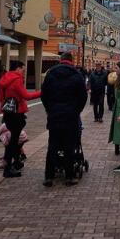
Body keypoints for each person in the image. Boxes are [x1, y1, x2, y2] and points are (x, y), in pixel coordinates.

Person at [41, 52, 87, 187]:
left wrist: (50, 109)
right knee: (69, 147)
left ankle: (48, 177)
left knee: (52, 146)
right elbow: (83, 97)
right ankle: (69, 177)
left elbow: (44, 95)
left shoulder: (50, 74)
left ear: (61, 60)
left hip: (54, 116)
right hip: (70, 116)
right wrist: (76, 111)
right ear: (71, 61)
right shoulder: (77, 75)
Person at [0, 61, 41, 178]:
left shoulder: (5, 78)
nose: (24, 72)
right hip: (16, 113)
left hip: (8, 113)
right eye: (23, 70)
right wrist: (42, 93)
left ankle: (16, 162)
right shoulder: (17, 79)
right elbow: (26, 96)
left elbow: (0, 97)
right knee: (14, 141)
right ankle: (8, 168)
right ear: (17, 69)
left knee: (14, 139)